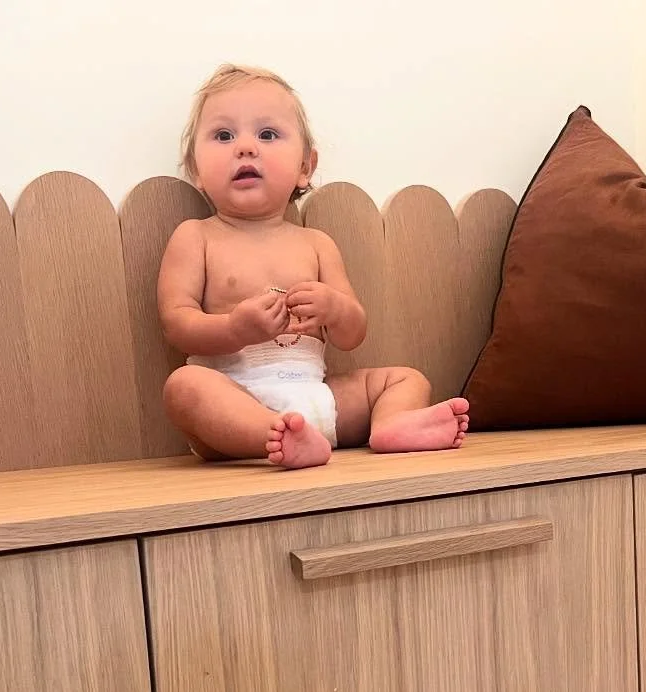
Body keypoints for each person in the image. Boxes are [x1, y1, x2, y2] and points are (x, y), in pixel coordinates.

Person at [156, 64, 469, 469]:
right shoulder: (195, 237)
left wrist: (335, 309)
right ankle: (276, 435)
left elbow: (353, 332)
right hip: (237, 401)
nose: (246, 147)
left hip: (318, 397)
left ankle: (392, 425)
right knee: (183, 387)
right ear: (196, 168)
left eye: (267, 135)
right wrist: (234, 329)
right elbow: (176, 325)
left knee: (406, 378)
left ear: (305, 166)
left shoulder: (317, 244)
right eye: (223, 135)